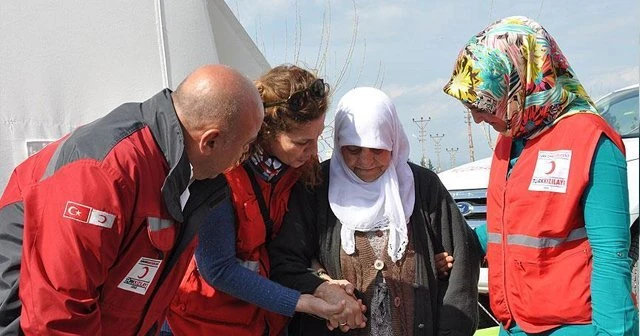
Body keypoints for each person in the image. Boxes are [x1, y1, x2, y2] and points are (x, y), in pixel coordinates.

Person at [0, 64, 264, 335]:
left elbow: (147, 299)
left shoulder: (183, 181)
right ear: (210, 141)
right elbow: (58, 315)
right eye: (245, 145)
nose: (243, 157)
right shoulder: (104, 173)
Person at [443, 16, 638, 335]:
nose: (478, 118)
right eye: (471, 107)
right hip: (516, 324)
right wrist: (455, 251)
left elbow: (611, 254)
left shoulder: (590, 141)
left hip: (576, 327)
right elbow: (509, 224)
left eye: (484, 104)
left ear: (522, 82)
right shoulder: (511, 139)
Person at [163, 64, 368, 336]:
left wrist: (319, 280)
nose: (312, 151)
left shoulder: (296, 170)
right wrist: (304, 302)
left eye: (318, 138)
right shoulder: (221, 173)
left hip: (262, 321)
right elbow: (218, 270)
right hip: (203, 322)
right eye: (301, 142)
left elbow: (291, 244)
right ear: (267, 130)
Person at [268, 86, 481, 335]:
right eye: (353, 150)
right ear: (338, 144)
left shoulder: (422, 186)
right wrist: (321, 285)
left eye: (378, 150)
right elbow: (285, 259)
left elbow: (461, 266)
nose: (366, 162)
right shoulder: (316, 187)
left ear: (393, 142)